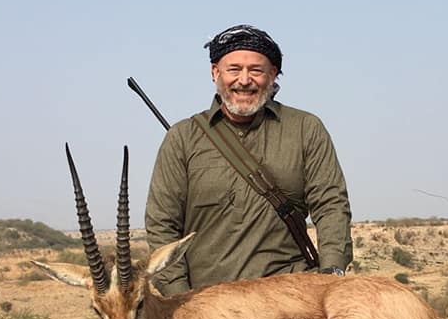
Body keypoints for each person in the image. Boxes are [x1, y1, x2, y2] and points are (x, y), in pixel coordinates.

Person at [145, 24, 353, 296]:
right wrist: (182, 300)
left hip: (292, 296)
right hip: (210, 301)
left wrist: (332, 276)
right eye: (234, 69)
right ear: (215, 73)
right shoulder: (182, 138)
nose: (244, 80)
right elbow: (162, 225)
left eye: (256, 70)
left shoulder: (306, 128)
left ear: (272, 75)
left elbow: (331, 205)